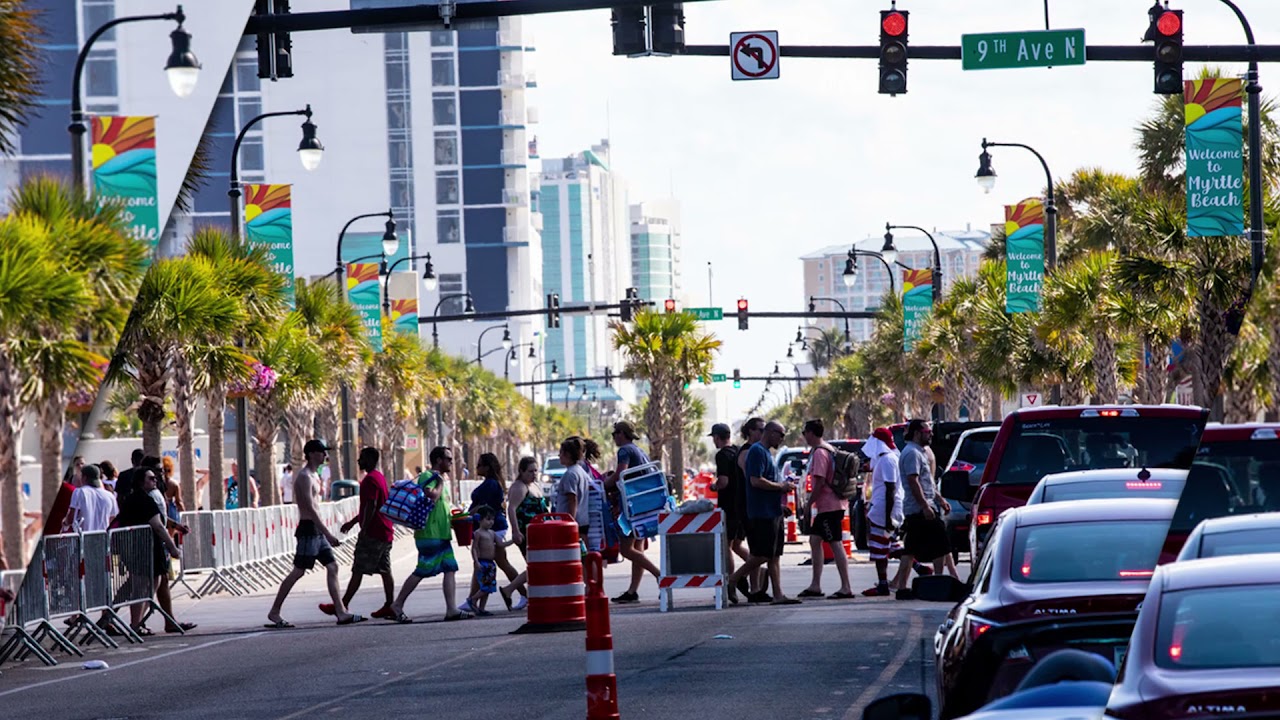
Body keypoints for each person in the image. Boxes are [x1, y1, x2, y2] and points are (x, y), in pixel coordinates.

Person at [265, 439, 363, 628]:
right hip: (309, 530)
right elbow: (309, 508)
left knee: (332, 566)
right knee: (298, 571)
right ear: (310, 454)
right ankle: (274, 611)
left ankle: (341, 611)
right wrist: (327, 533)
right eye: (320, 452)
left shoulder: (313, 476)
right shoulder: (304, 477)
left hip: (317, 530)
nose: (324, 455)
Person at [388, 446, 471, 622]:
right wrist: (440, 482)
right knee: (423, 570)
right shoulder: (429, 476)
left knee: (450, 568)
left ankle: (451, 609)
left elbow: (442, 507)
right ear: (439, 460)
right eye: (448, 458)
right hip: (429, 534)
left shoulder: (440, 479)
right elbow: (430, 495)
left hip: (442, 534)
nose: (450, 462)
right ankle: (397, 604)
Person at [727, 421, 801, 605]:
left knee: (774, 555)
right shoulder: (757, 451)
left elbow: (768, 481)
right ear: (770, 432)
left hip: (772, 510)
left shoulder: (767, 453)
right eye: (780, 435)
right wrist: (781, 487)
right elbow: (755, 480)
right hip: (761, 513)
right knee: (762, 554)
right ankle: (733, 579)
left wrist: (780, 501)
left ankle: (778, 594)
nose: (782, 439)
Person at [114, 467, 191, 635]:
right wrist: (173, 548)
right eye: (151, 478)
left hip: (136, 548)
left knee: (146, 586)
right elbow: (158, 525)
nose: (155, 480)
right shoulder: (144, 500)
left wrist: (175, 527)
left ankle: (138, 623)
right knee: (143, 588)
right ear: (141, 481)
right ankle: (136, 624)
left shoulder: (131, 499)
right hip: (146, 549)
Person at [322, 447, 396, 620]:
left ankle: (342, 604)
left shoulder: (370, 480)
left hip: (374, 533)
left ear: (371, 459)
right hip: (385, 531)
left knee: (358, 569)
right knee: (385, 569)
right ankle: (390, 605)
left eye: (362, 458)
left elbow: (371, 505)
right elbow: (372, 507)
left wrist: (363, 529)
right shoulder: (379, 477)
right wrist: (352, 522)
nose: (359, 461)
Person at [892, 419, 951, 600]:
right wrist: (925, 506)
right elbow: (913, 481)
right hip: (919, 510)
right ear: (917, 433)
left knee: (911, 549)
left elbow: (927, 482)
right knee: (941, 544)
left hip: (925, 506)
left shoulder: (919, 452)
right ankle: (937, 582)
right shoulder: (912, 453)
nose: (930, 434)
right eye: (927, 431)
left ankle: (903, 588)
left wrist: (940, 500)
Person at [604, 422, 661, 604]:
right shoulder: (638, 450)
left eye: (615, 434)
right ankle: (632, 591)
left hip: (632, 506)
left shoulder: (624, 451)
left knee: (626, 549)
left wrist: (604, 483)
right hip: (643, 504)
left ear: (622, 434)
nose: (614, 437)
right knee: (638, 549)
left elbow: (621, 474)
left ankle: (661, 576)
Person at [797, 419, 854, 599]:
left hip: (830, 506)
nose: (804, 436)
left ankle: (846, 587)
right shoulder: (826, 449)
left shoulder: (821, 452)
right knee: (815, 540)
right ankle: (815, 585)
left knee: (835, 542)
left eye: (804, 432)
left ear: (811, 433)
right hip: (828, 506)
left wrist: (808, 503)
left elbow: (820, 482)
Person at [458, 453, 520, 615]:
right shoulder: (491, 483)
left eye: (479, 464)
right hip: (490, 526)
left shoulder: (491, 484)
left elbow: (484, 507)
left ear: (487, 467)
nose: (477, 467)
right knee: (483, 565)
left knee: (500, 562)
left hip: (492, 527)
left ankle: (523, 593)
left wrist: (471, 513)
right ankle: (471, 600)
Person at [498, 456, 548, 610]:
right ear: (521, 471)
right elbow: (512, 509)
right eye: (530, 471)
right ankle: (511, 590)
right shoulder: (519, 487)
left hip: (541, 532)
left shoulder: (535, 486)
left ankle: (518, 593)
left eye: (535, 471)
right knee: (537, 566)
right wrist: (516, 531)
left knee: (539, 566)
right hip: (527, 533)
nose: (533, 474)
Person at [710, 423, 751, 601]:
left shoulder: (722, 455)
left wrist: (714, 485)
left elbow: (724, 481)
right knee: (737, 545)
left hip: (729, 506)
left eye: (713, 438)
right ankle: (756, 567)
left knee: (726, 546)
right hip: (743, 505)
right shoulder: (738, 451)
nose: (714, 441)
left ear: (718, 437)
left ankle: (730, 584)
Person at [862, 428, 904, 596]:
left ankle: (883, 584)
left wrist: (887, 517)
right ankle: (920, 568)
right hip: (883, 506)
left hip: (885, 508)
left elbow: (890, 489)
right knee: (892, 545)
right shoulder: (883, 458)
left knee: (879, 548)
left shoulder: (887, 460)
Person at [465, 506, 515, 616]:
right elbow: (474, 548)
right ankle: (472, 599)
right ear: (480, 519)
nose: (491, 522)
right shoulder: (478, 533)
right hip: (482, 562)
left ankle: (482, 608)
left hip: (490, 563)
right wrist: (476, 561)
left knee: (489, 587)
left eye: (492, 519)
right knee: (485, 586)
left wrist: (512, 541)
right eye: (488, 519)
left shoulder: (492, 533)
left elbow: (501, 544)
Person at [68, 464, 117, 533]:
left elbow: (71, 517)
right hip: (103, 537)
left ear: (84, 478)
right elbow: (112, 518)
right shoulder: (110, 495)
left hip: (83, 538)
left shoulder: (79, 492)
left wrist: (65, 522)